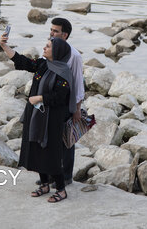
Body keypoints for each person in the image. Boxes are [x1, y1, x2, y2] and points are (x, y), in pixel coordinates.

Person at [0, 35, 75, 203]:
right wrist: (5, 47)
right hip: (36, 115)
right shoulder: (43, 64)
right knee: (35, 147)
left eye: (48, 46)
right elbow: (24, 63)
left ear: (57, 52)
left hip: (53, 120)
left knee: (51, 153)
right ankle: (45, 184)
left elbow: (60, 98)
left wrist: (40, 98)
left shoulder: (64, 73)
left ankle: (61, 190)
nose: (44, 48)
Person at [49, 18, 85, 186]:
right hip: (51, 101)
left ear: (65, 34)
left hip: (66, 104)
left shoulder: (74, 55)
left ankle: (66, 176)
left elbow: (78, 82)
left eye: (55, 31)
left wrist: (77, 108)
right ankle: (50, 174)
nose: (51, 33)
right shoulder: (50, 50)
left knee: (66, 140)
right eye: (51, 30)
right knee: (50, 139)